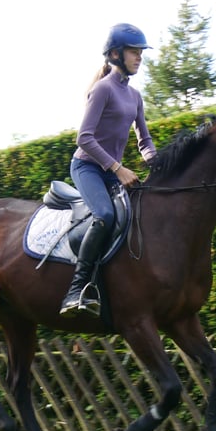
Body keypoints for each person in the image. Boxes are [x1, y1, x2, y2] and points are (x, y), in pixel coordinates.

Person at [59, 23, 157, 317]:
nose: (139, 57)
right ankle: (75, 290)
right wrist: (118, 168)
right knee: (104, 215)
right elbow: (83, 138)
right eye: (133, 52)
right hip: (87, 167)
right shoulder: (102, 90)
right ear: (115, 54)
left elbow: (145, 140)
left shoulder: (135, 96)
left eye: (141, 53)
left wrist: (157, 162)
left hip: (110, 171)